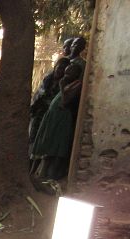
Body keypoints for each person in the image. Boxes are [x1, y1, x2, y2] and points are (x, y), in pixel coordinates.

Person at [31, 37, 87, 182]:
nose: (71, 47)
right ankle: (36, 173)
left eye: (76, 44)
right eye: (70, 44)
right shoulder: (64, 64)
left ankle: (49, 176)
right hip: (50, 113)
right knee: (41, 142)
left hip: (61, 115)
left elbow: (66, 100)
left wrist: (62, 84)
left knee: (55, 147)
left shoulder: (77, 73)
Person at [29, 57, 70, 162]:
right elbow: (38, 95)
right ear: (55, 67)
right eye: (59, 68)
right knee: (32, 136)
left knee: (41, 139)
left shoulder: (63, 84)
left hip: (48, 115)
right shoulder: (48, 79)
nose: (59, 71)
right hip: (38, 112)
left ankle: (34, 160)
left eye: (63, 69)